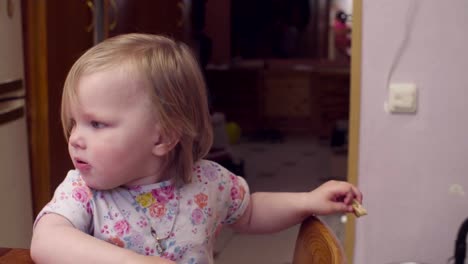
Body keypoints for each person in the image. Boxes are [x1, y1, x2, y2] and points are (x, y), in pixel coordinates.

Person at [30, 33, 363, 264]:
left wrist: (307, 200)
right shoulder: (82, 191)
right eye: (74, 122)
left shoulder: (207, 183)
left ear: (162, 138)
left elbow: (249, 212)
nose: (75, 137)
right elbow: (46, 241)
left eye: (97, 124)